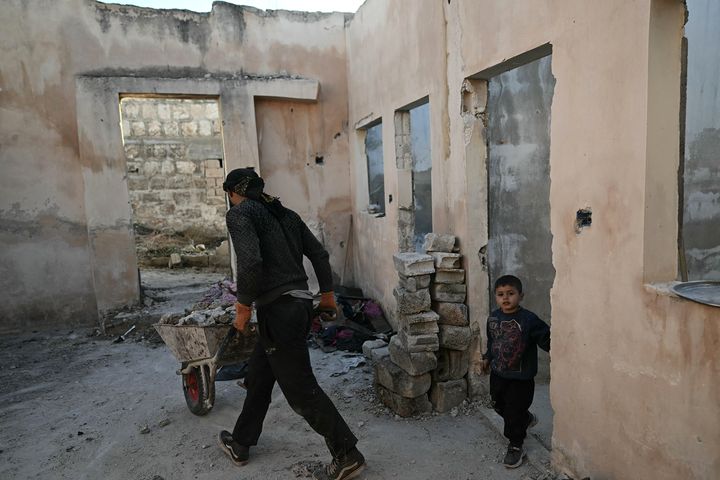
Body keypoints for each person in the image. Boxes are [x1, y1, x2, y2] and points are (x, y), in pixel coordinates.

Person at [217, 167, 365, 480]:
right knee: (259, 375)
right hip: (298, 304)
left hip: (279, 311)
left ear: (233, 193)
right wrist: (327, 296)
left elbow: (252, 262)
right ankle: (241, 442)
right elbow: (319, 254)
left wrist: (243, 306)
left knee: (300, 390)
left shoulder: (240, 213)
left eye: (230, 195)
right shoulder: (286, 214)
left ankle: (347, 453)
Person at [481, 275, 550, 469]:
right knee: (498, 405)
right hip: (498, 374)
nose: (505, 298)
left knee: (512, 412)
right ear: (495, 296)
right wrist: (487, 358)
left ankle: (515, 445)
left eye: (511, 294)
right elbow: (492, 342)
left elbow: (548, 339)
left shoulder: (529, 320)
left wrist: (563, 351)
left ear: (521, 295)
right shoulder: (493, 318)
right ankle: (525, 419)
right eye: (501, 294)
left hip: (521, 379)